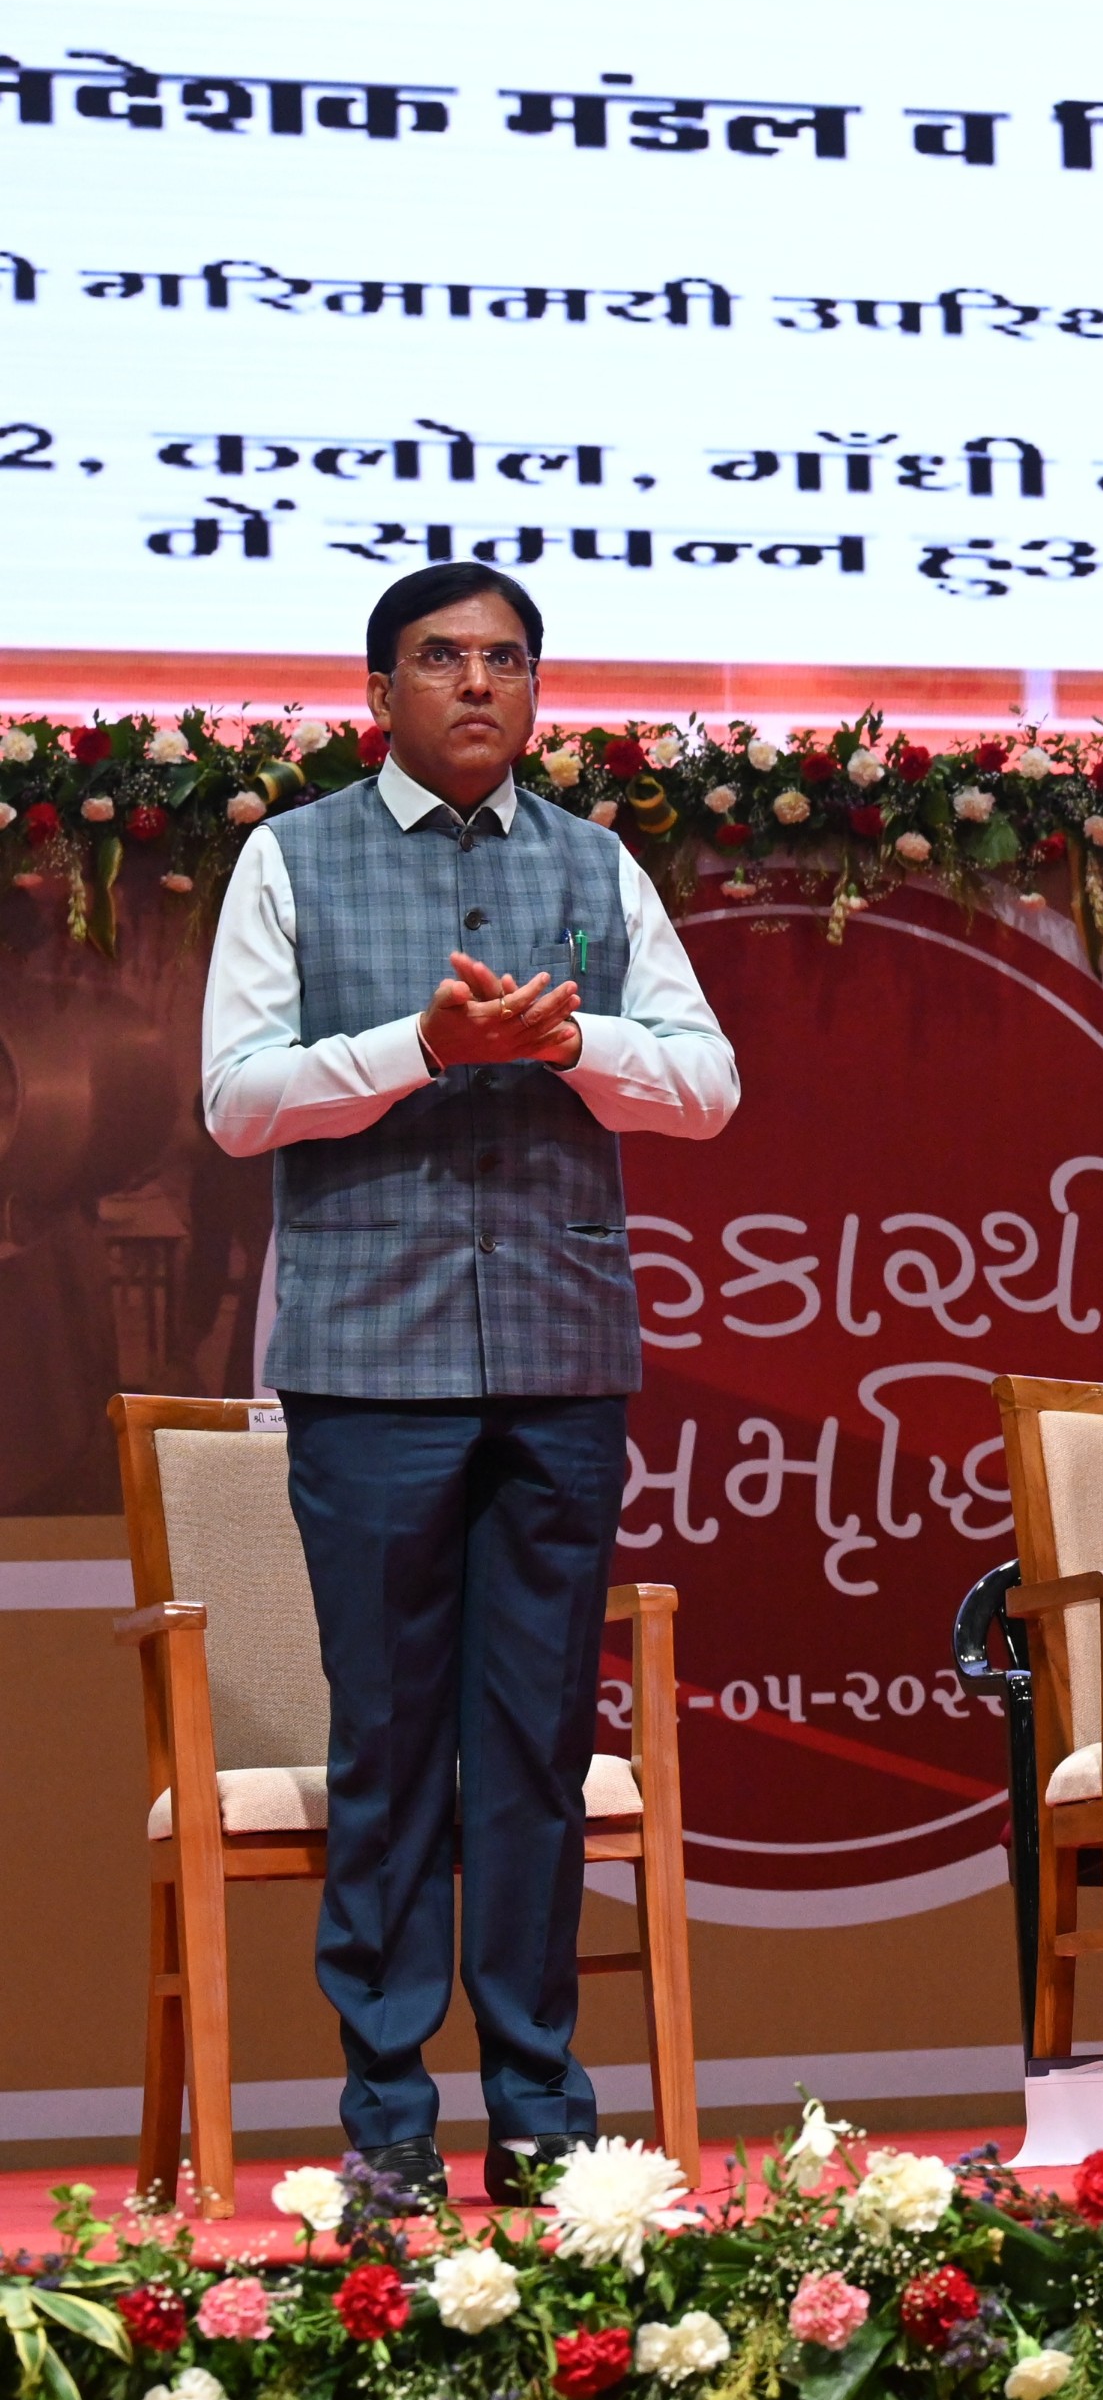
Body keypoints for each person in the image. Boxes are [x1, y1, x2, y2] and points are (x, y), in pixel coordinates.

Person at [199, 563, 740, 2202]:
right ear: (381, 693)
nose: (479, 687)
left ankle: (538, 2108)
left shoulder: (595, 862)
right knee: (387, 1745)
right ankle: (384, 2121)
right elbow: (234, 1103)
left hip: (563, 1366)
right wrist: (416, 1050)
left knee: (532, 1750)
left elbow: (708, 1090)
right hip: (372, 1372)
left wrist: (577, 1049)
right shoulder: (288, 856)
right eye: (443, 660)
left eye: (507, 660)